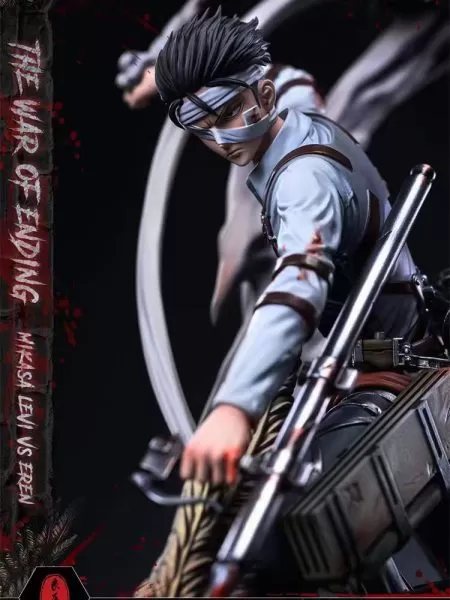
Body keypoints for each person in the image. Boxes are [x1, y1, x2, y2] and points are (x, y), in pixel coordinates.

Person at [135, 7, 442, 597]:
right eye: (201, 126)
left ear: (264, 95)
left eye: (228, 112)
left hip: (397, 377)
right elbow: (293, 75)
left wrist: (233, 409)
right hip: (368, 362)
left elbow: (296, 285)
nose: (221, 138)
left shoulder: (304, 183)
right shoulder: (292, 110)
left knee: (293, 537)